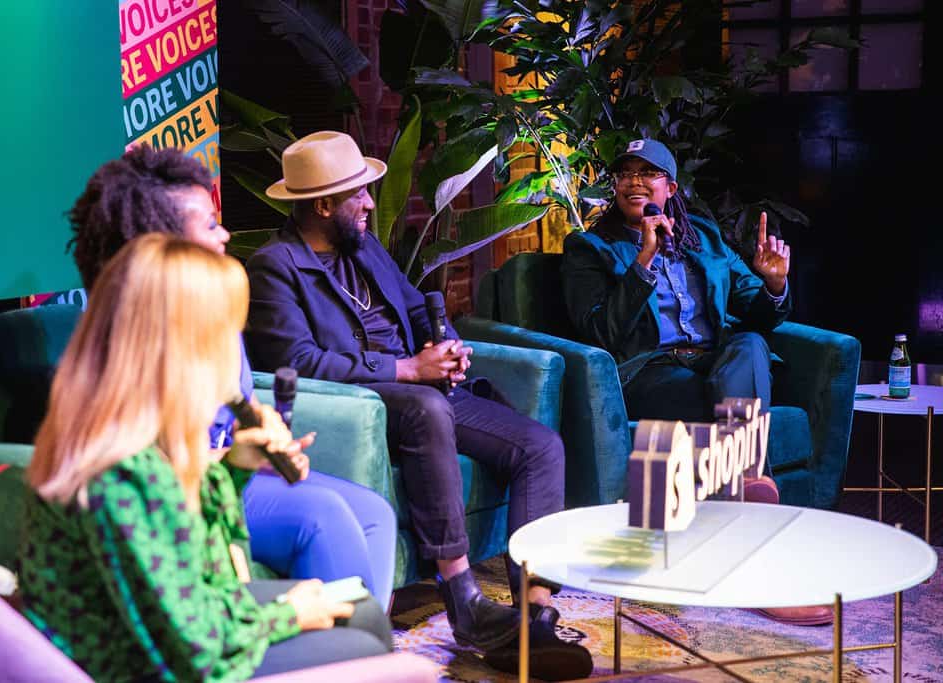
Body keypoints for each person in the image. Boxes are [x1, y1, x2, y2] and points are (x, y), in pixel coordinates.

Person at [244, 130, 592, 680]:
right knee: (425, 410)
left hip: (429, 389)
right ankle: (463, 600)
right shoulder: (275, 267)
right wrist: (406, 369)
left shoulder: (363, 247)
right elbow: (297, 360)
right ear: (323, 204)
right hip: (371, 404)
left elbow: (415, 305)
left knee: (540, 446)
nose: (368, 204)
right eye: (358, 194)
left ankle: (536, 612)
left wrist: (446, 348)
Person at [20, 234, 392, 681]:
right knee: (363, 646)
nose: (232, 354)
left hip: (179, 631)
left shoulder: (142, 433)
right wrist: (289, 614)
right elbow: (192, 648)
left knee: (365, 614)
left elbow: (216, 568)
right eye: (222, 333)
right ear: (179, 350)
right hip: (140, 665)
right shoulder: (122, 471)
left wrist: (235, 468)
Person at [66, 144, 397, 613]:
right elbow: (150, 464)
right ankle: (337, 657)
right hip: (188, 486)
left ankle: (353, 653)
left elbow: (234, 402)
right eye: (207, 224)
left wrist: (263, 430)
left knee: (375, 514)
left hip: (232, 471)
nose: (224, 234)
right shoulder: (131, 337)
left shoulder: (211, 309)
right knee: (322, 516)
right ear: (160, 240)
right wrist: (239, 456)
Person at [562, 138, 831, 626]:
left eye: (649, 173)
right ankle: (764, 560)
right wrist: (643, 260)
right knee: (728, 408)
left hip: (715, 360)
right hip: (651, 372)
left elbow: (753, 307)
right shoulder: (589, 247)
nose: (635, 182)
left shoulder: (703, 236)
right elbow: (599, 331)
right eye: (625, 174)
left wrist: (773, 285)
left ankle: (746, 489)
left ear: (672, 186)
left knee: (749, 346)